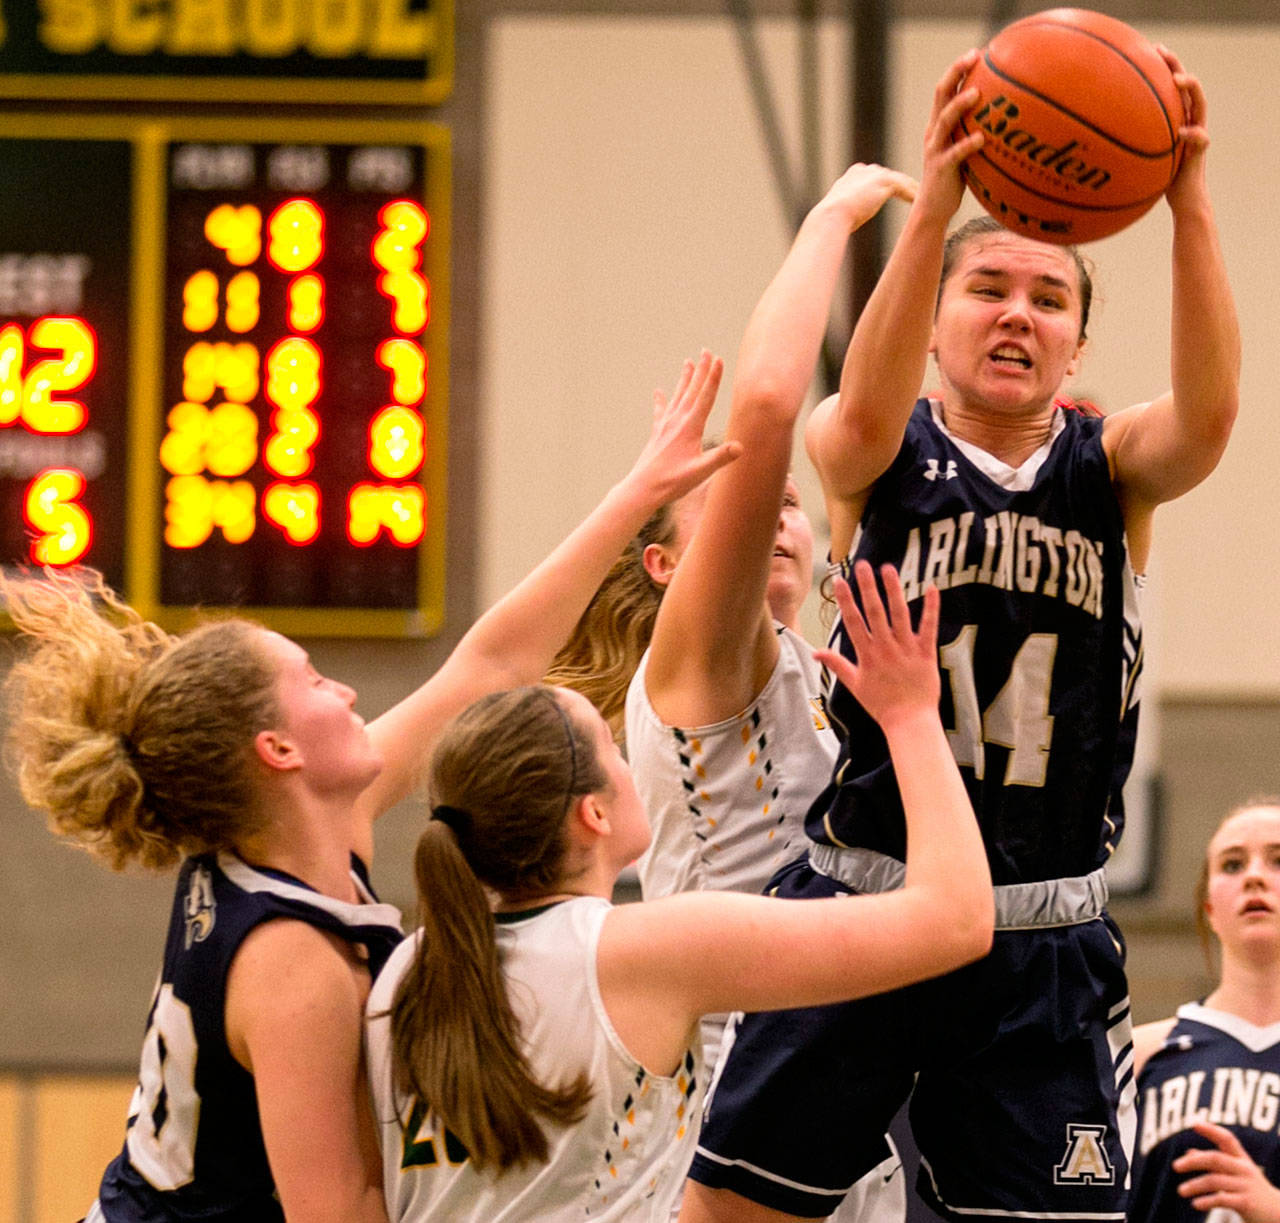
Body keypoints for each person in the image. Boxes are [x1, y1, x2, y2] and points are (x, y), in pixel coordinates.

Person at [681, 42, 1240, 1223]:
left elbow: (1207, 416)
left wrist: (1186, 201)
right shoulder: (870, 450)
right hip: (864, 906)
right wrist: (934, 194)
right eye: (986, 290)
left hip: (1042, 933)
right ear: (930, 322)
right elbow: (858, 404)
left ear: (1076, 347)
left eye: (1049, 300)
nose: (1017, 314)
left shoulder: (1111, 470)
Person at [1, 361, 739, 1223]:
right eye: (313, 679)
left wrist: (636, 490)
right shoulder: (293, 965)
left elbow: (490, 666)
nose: (346, 692)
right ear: (277, 749)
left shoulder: (297, 825)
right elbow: (338, 1211)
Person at [366, 561, 994, 1222]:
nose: (627, 757)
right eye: (611, 748)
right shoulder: (645, 951)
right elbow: (956, 920)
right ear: (594, 814)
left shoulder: (403, 973)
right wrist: (912, 716)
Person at [624, 164, 916, 1219]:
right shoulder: (702, 661)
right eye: (752, 501)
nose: (776, 513)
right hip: (730, 1077)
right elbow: (768, 406)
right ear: (665, 567)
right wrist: (836, 217)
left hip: (838, 1074)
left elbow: (872, 442)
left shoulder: (826, 657)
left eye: (792, 506)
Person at [1130, 799, 1280, 1223]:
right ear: (1209, 909)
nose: (1253, 876)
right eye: (1232, 865)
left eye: (1277, 860)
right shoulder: (1139, 1054)